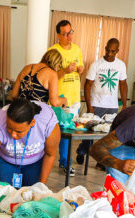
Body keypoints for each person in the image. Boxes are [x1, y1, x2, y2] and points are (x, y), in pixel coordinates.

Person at [0, 98, 60, 188]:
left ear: (32, 123)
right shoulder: (0, 122)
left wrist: (41, 187)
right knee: (4, 196)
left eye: (19, 131)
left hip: (34, 162)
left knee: (31, 196)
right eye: (9, 128)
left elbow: (50, 154)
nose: (13, 135)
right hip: (4, 161)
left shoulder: (47, 123)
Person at [76, 38, 129, 165]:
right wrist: (90, 106)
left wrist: (125, 106)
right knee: (89, 133)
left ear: (117, 51)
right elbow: (88, 85)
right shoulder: (96, 64)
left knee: (108, 136)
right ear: (105, 48)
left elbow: (123, 84)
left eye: (112, 51)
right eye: (107, 50)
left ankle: (102, 160)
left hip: (112, 106)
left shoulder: (121, 65)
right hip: (96, 103)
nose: (109, 54)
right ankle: (82, 151)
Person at [48, 19, 84, 176]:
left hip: (74, 97)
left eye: (71, 32)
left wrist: (81, 69)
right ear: (58, 35)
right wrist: (64, 71)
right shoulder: (53, 51)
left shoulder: (76, 49)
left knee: (70, 132)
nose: (69, 36)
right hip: (59, 98)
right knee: (62, 131)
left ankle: (65, 161)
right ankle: (64, 162)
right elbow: (49, 76)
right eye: (65, 34)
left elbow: (80, 70)